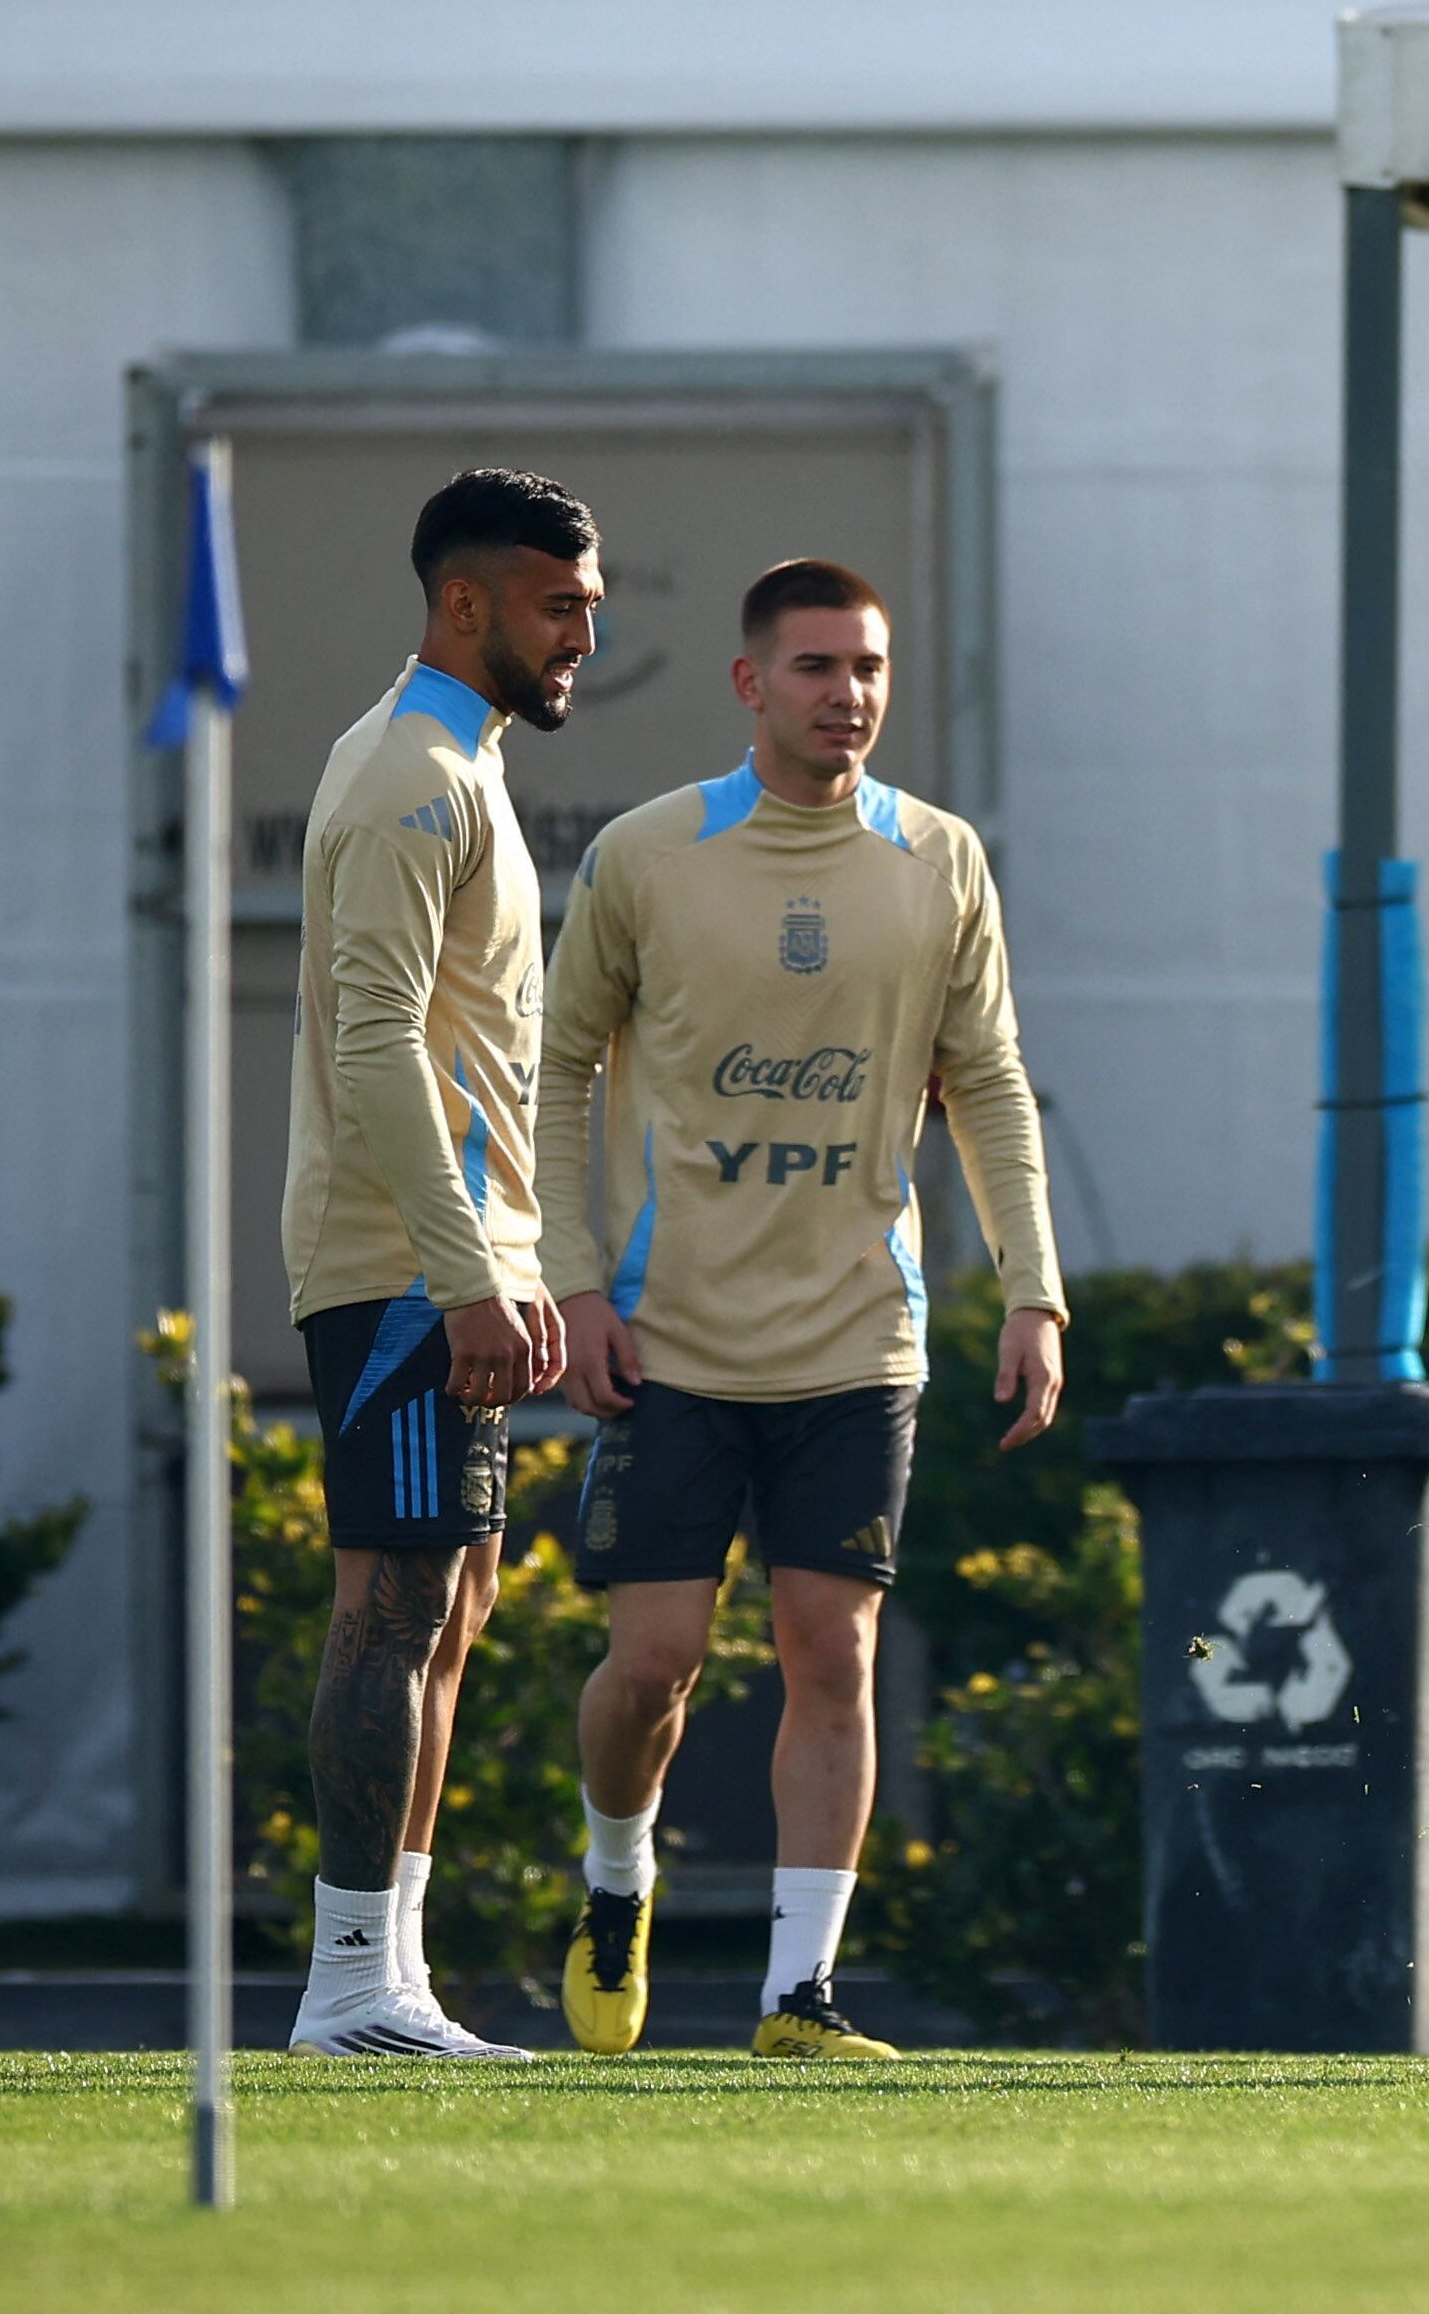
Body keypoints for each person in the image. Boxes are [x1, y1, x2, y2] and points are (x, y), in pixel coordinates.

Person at [537, 558, 1066, 2060]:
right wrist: (573, 1283)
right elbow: (553, 1069)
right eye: (820, 667)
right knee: (653, 1667)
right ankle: (617, 1879)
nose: (850, 695)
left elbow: (991, 1090)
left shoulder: (939, 858)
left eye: (871, 669)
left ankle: (797, 1995)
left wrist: (1035, 1291)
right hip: (671, 1337)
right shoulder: (647, 856)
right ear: (749, 684)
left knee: (832, 1651)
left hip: (854, 1336)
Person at [280, 467, 596, 2056]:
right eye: (558, 604)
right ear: (464, 602)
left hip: (455, 1258)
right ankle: (348, 1988)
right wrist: (465, 1271)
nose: (583, 636)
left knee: (450, 1600)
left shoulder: (455, 762)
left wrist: (511, 1258)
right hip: (405, 1267)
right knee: (393, 1605)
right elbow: (377, 1039)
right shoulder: (410, 771)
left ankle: (386, 1978)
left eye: (591, 606)